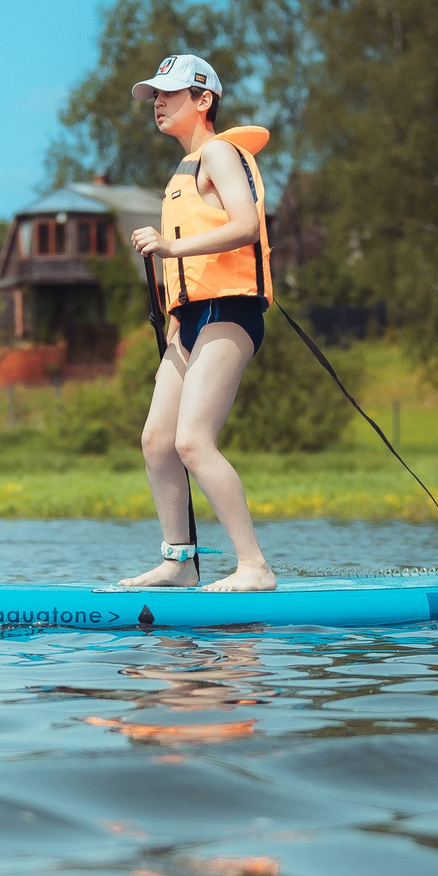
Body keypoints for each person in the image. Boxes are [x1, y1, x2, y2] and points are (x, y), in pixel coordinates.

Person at [121, 55, 276, 593]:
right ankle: (179, 561)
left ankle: (254, 567)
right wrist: (171, 318)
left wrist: (170, 245)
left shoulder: (219, 152)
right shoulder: (183, 172)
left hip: (229, 312)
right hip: (189, 320)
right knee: (157, 440)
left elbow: (245, 225)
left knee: (193, 441)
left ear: (204, 99)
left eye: (170, 93)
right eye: (155, 95)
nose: (158, 103)